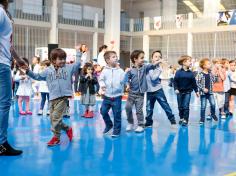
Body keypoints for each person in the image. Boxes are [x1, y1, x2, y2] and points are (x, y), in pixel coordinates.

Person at [26, 48, 82, 146]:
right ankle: (67, 129)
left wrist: (78, 52)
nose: (63, 61)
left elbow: (77, 64)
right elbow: (37, 76)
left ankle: (56, 137)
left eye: (64, 58)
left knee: (55, 118)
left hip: (63, 98)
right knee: (53, 119)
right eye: (60, 59)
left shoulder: (68, 68)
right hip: (52, 98)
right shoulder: (48, 71)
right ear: (53, 60)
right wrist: (27, 71)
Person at [0, 0, 26, 156]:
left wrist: (17, 58)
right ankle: (1, 143)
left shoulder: (4, 13)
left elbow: (8, 44)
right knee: (4, 103)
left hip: (5, 62)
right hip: (1, 64)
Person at [125, 50, 167, 133]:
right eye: (141, 58)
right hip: (131, 93)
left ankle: (140, 125)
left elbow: (152, 64)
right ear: (135, 59)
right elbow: (126, 78)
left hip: (140, 94)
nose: (143, 59)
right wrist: (127, 85)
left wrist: (159, 61)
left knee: (139, 110)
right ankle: (130, 122)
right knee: (127, 108)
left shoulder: (144, 67)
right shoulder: (130, 70)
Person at [145, 50, 177, 128]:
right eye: (156, 56)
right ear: (151, 58)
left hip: (158, 90)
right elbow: (152, 77)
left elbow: (154, 78)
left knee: (165, 106)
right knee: (149, 108)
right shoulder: (148, 66)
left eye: (159, 57)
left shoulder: (159, 68)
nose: (158, 58)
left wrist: (161, 68)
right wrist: (160, 68)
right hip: (149, 91)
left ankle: (172, 121)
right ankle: (149, 123)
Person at [99, 51, 127, 137]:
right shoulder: (104, 70)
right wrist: (102, 86)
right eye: (113, 57)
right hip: (107, 96)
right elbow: (101, 79)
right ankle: (109, 124)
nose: (116, 58)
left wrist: (125, 73)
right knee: (103, 111)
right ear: (108, 60)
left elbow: (123, 81)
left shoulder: (120, 70)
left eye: (116, 56)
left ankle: (116, 131)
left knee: (117, 114)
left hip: (117, 96)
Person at [174, 55, 199, 126]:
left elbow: (194, 83)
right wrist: (176, 89)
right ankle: (181, 117)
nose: (191, 62)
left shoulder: (191, 73)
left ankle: (185, 120)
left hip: (188, 92)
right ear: (184, 62)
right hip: (179, 92)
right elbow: (175, 81)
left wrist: (196, 91)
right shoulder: (178, 72)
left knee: (186, 106)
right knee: (180, 106)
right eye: (189, 61)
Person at [196, 58, 218, 125]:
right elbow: (197, 82)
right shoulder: (200, 74)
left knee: (213, 104)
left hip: (210, 92)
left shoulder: (210, 73)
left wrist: (215, 76)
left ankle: (213, 114)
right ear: (204, 66)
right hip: (203, 93)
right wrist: (203, 88)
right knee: (203, 106)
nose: (210, 65)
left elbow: (214, 81)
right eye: (208, 64)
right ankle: (202, 119)